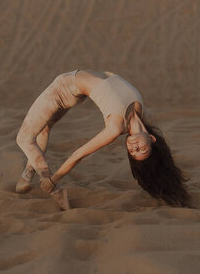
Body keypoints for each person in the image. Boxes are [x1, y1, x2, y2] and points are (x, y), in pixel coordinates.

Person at [15, 69, 190, 210]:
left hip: (61, 90)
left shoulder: (115, 127)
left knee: (24, 139)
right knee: (44, 129)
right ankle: (27, 176)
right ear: (151, 138)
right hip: (73, 88)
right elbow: (163, 150)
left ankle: (54, 191)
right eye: (142, 150)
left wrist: (54, 179)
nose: (135, 148)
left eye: (132, 152)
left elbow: (79, 154)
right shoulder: (143, 113)